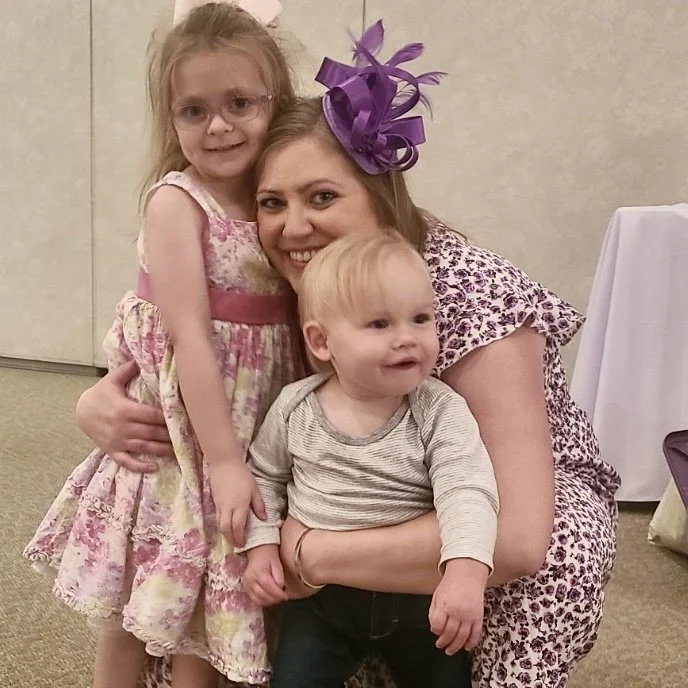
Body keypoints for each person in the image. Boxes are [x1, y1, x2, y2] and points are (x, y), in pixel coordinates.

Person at [75, 19, 620, 688]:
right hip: (348, 487)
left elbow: (518, 538)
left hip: (487, 508)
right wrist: (97, 403)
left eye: (323, 197)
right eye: (271, 202)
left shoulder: (467, 288)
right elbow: (174, 339)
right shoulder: (288, 273)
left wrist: (308, 550)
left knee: (554, 551)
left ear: (379, 194)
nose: (293, 226)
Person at [23, 4, 300, 688]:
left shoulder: (279, 199)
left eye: (239, 103)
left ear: (277, 102)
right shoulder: (178, 203)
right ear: (169, 119)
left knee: (205, 612)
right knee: (137, 604)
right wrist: (224, 462)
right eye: (193, 110)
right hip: (181, 447)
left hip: (254, 432)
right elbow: (191, 339)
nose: (218, 126)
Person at [240, 230, 499, 688]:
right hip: (320, 602)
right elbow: (263, 477)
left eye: (421, 318)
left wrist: (465, 574)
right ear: (322, 341)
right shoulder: (295, 408)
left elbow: (467, 490)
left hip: (418, 597)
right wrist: (260, 548)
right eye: (380, 324)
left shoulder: (438, 409)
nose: (408, 339)